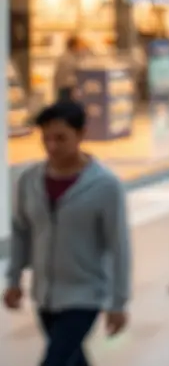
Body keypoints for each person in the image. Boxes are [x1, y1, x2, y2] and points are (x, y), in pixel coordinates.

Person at [4, 100, 132, 366]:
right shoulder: (29, 181)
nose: (52, 146)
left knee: (55, 361)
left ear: (81, 134)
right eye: (46, 138)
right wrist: (14, 279)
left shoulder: (105, 186)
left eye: (60, 138)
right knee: (72, 360)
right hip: (45, 296)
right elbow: (20, 231)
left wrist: (118, 302)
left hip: (85, 295)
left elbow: (119, 246)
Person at [52, 35, 85, 102]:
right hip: (65, 89)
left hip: (66, 89)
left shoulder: (71, 57)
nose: (82, 48)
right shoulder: (67, 59)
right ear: (74, 46)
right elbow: (69, 77)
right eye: (80, 45)